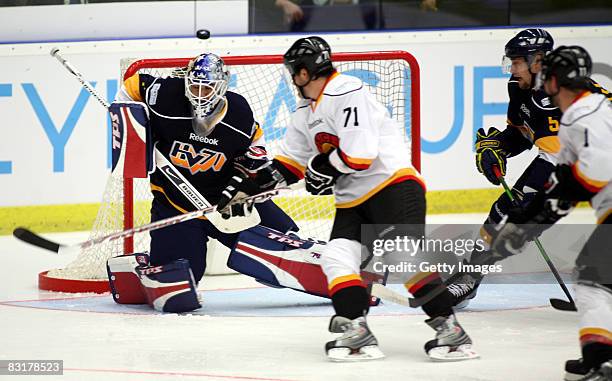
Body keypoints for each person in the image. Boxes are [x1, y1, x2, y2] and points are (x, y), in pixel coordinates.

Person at [220, 36, 478, 362]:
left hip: (392, 187)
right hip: (353, 200)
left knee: (402, 258)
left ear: (303, 73)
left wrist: (320, 168)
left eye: (294, 72)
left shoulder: (347, 91)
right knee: (337, 258)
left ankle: (451, 330)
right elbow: (290, 165)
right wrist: (253, 188)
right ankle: (356, 330)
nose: (293, 79)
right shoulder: (305, 111)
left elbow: (361, 154)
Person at [112, 52, 298, 311]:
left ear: (222, 86)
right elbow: (131, 86)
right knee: (175, 295)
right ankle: (145, 269)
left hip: (228, 203)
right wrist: (130, 125)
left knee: (289, 250)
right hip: (177, 209)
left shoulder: (238, 112)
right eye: (195, 85)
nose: (200, 93)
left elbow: (257, 145)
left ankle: (353, 282)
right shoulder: (167, 95)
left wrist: (246, 177)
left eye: (207, 86)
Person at [491, 45, 612, 381]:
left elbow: (586, 180)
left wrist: (528, 226)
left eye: (546, 78)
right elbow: (561, 185)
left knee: (593, 280)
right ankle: (599, 359)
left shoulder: (582, 116)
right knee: (595, 279)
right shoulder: (589, 109)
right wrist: (528, 222)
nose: (542, 86)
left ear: (556, 80)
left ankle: (601, 362)